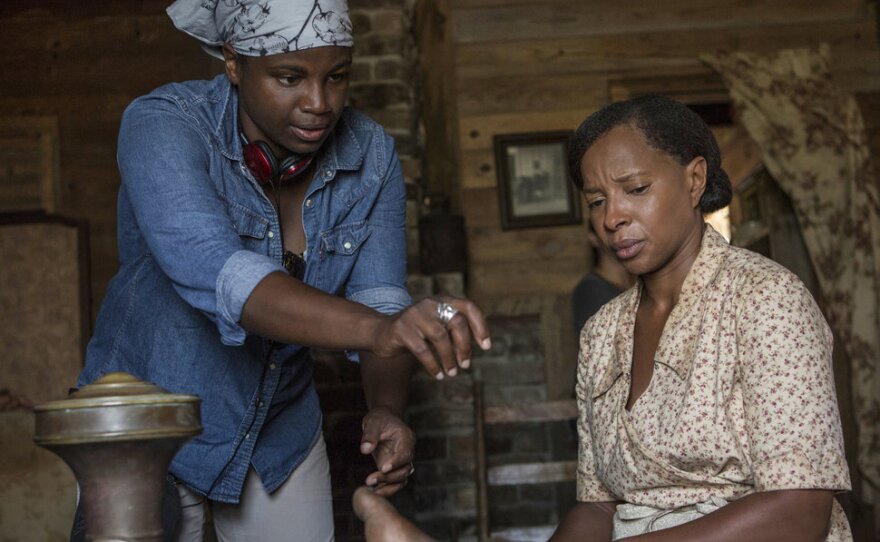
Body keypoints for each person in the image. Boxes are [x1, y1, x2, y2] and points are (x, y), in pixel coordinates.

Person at [72, 1, 490, 540]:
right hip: (144, 425)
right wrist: (382, 329)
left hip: (279, 428)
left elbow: (382, 302)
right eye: (289, 77)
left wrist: (386, 408)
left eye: (337, 77)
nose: (319, 103)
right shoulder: (163, 124)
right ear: (233, 62)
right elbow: (222, 274)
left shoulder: (372, 156)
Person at [551, 95, 851, 541]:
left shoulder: (764, 299)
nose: (612, 217)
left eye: (636, 189)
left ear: (694, 181)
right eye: (597, 201)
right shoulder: (602, 333)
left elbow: (800, 510)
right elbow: (597, 506)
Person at [571, 221, 635, 334]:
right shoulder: (591, 290)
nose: (621, 237)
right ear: (593, 238)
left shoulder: (639, 283)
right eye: (609, 231)